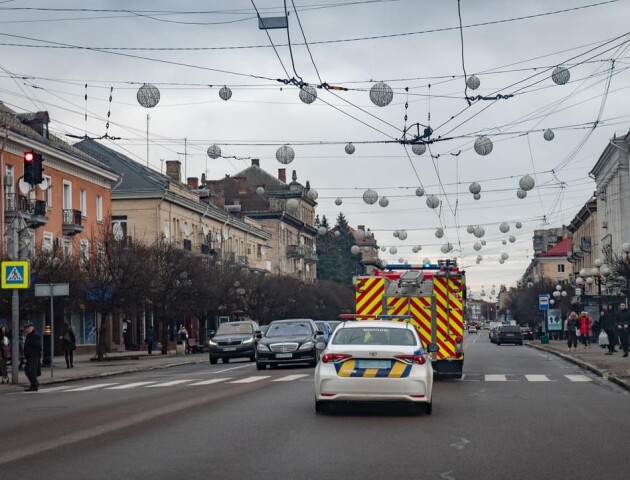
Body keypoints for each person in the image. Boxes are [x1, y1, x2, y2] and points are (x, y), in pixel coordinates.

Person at [22, 322, 42, 392]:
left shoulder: (34, 336)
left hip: (33, 356)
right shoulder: (29, 335)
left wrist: (33, 354)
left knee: (31, 371)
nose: (27, 330)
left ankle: (34, 386)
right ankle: (34, 384)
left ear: (32, 328)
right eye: (26, 328)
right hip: (30, 357)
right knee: (28, 370)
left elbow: (37, 347)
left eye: (29, 328)